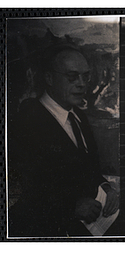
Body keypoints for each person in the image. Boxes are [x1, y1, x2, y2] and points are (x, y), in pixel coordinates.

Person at [8, 44, 119, 237]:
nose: (82, 84)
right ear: (49, 78)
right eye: (72, 77)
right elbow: (16, 194)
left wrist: (106, 188)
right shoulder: (23, 124)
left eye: (86, 76)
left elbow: (89, 169)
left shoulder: (79, 118)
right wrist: (70, 208)